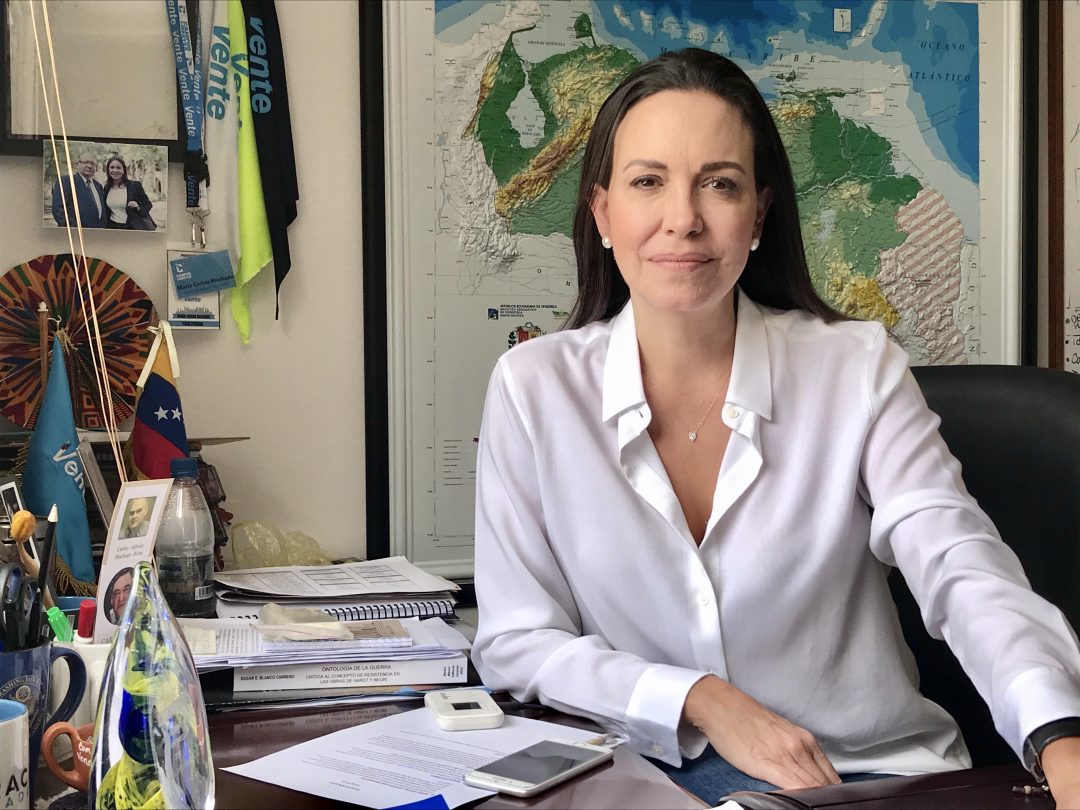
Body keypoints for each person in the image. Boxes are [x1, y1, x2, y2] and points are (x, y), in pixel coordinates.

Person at [471, 48, 1080, 807]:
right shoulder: (534, 390)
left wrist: (1058, 736)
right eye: (647, 182)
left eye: (718, 184)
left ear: (757, 214)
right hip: (654, 780)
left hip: (866, 780)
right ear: (603, 214)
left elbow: (959, 565)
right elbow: (517, 641)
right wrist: (698, 699)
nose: (683, 219)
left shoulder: (856, 369)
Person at [51, 152, 106, 228]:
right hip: (76, 234)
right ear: (78, 164)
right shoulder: (66, 181)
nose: (89, 166)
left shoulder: (98, 186)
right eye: (85, 162)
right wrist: (74, 228)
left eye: (92, 163)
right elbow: (58, 210)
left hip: (98, 234)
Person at [101, 155, 155, 230]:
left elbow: (148, 204)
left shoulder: (135, 185)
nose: (115, 170)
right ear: (108, 170)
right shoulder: (106, 188)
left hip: (131, 227)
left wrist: (138, 207)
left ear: (124, 170)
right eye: (112, 167)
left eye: (118, 168)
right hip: (112, 227)